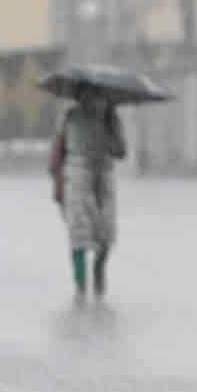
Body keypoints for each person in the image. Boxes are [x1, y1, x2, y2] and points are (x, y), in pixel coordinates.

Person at [49, 89, 126, 303]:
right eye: (89, 95)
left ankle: (99, 276)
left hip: (104, 177)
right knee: (78, 234)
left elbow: (121, 151)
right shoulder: (70, 116)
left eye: (99, 97)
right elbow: (58, 150)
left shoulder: (112, 118)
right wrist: (58, 183)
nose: (93, 100)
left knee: (106, 233)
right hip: (76, 175)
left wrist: (107, 134)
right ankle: (80, 288)